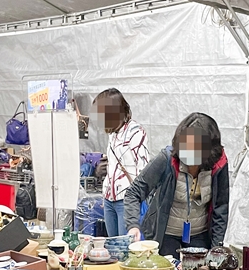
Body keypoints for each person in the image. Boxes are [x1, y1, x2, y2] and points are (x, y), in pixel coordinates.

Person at [123, 113, 229, 256]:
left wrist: (216, 249)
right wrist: (133, 226)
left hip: (200, 234)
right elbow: (134, 192)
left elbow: (221, 208)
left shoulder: (218, 165)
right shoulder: (166, 159)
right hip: (165, 233)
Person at [92, 89, 149, 236]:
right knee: (114, 247)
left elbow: (143, 169)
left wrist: (135, 199)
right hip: (109, 199)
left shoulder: (135, 132)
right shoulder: (113, 134)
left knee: (127, 248)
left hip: (127, 201)